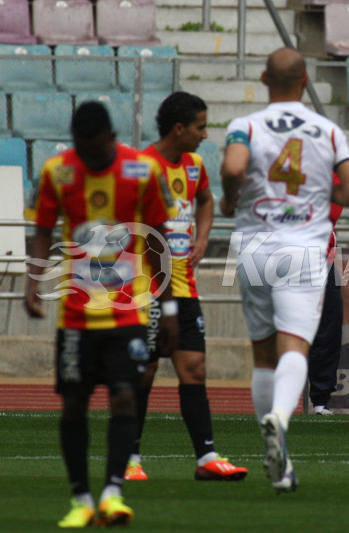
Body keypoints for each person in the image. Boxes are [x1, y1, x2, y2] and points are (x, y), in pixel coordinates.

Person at [24, 101, 179, 527]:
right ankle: (81, 500)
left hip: (128, 313)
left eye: (95, 151)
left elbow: (158, 239)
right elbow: (42, 229)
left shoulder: (142, 172)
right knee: (74, 404)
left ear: (111, 138)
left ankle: (112, 493)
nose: (88, 158)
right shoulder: (57, 172)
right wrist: (32, 283)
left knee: (125, 396)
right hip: (76, 317)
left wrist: (168, 307)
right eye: (81, 149)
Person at [220, 47, 349, 492]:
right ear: (305, 82)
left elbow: (234, 166)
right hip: (303, 249)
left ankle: (280, 461)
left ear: (265, 79)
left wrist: (230, 198)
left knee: (264, 356)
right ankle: (279, 419)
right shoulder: (328, 131)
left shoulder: (245, 125)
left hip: (254, 248)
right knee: (295, 349)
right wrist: (319, 194)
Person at [124, 92, 248, 482]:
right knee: (144, 372)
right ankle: (129, 458)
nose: (204, 135)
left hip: (184, 286)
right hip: (146, 289)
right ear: (179, 129)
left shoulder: (194, 166)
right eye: (200, 127)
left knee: (194, 368)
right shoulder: (141, 167)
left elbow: (206, 200)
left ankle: (206, 458)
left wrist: (203, 238)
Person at [308, 175, 344, 416]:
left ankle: (320, 400)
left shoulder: (329, 171)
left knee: (328, 331)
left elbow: (333, 210)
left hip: (323, 261)